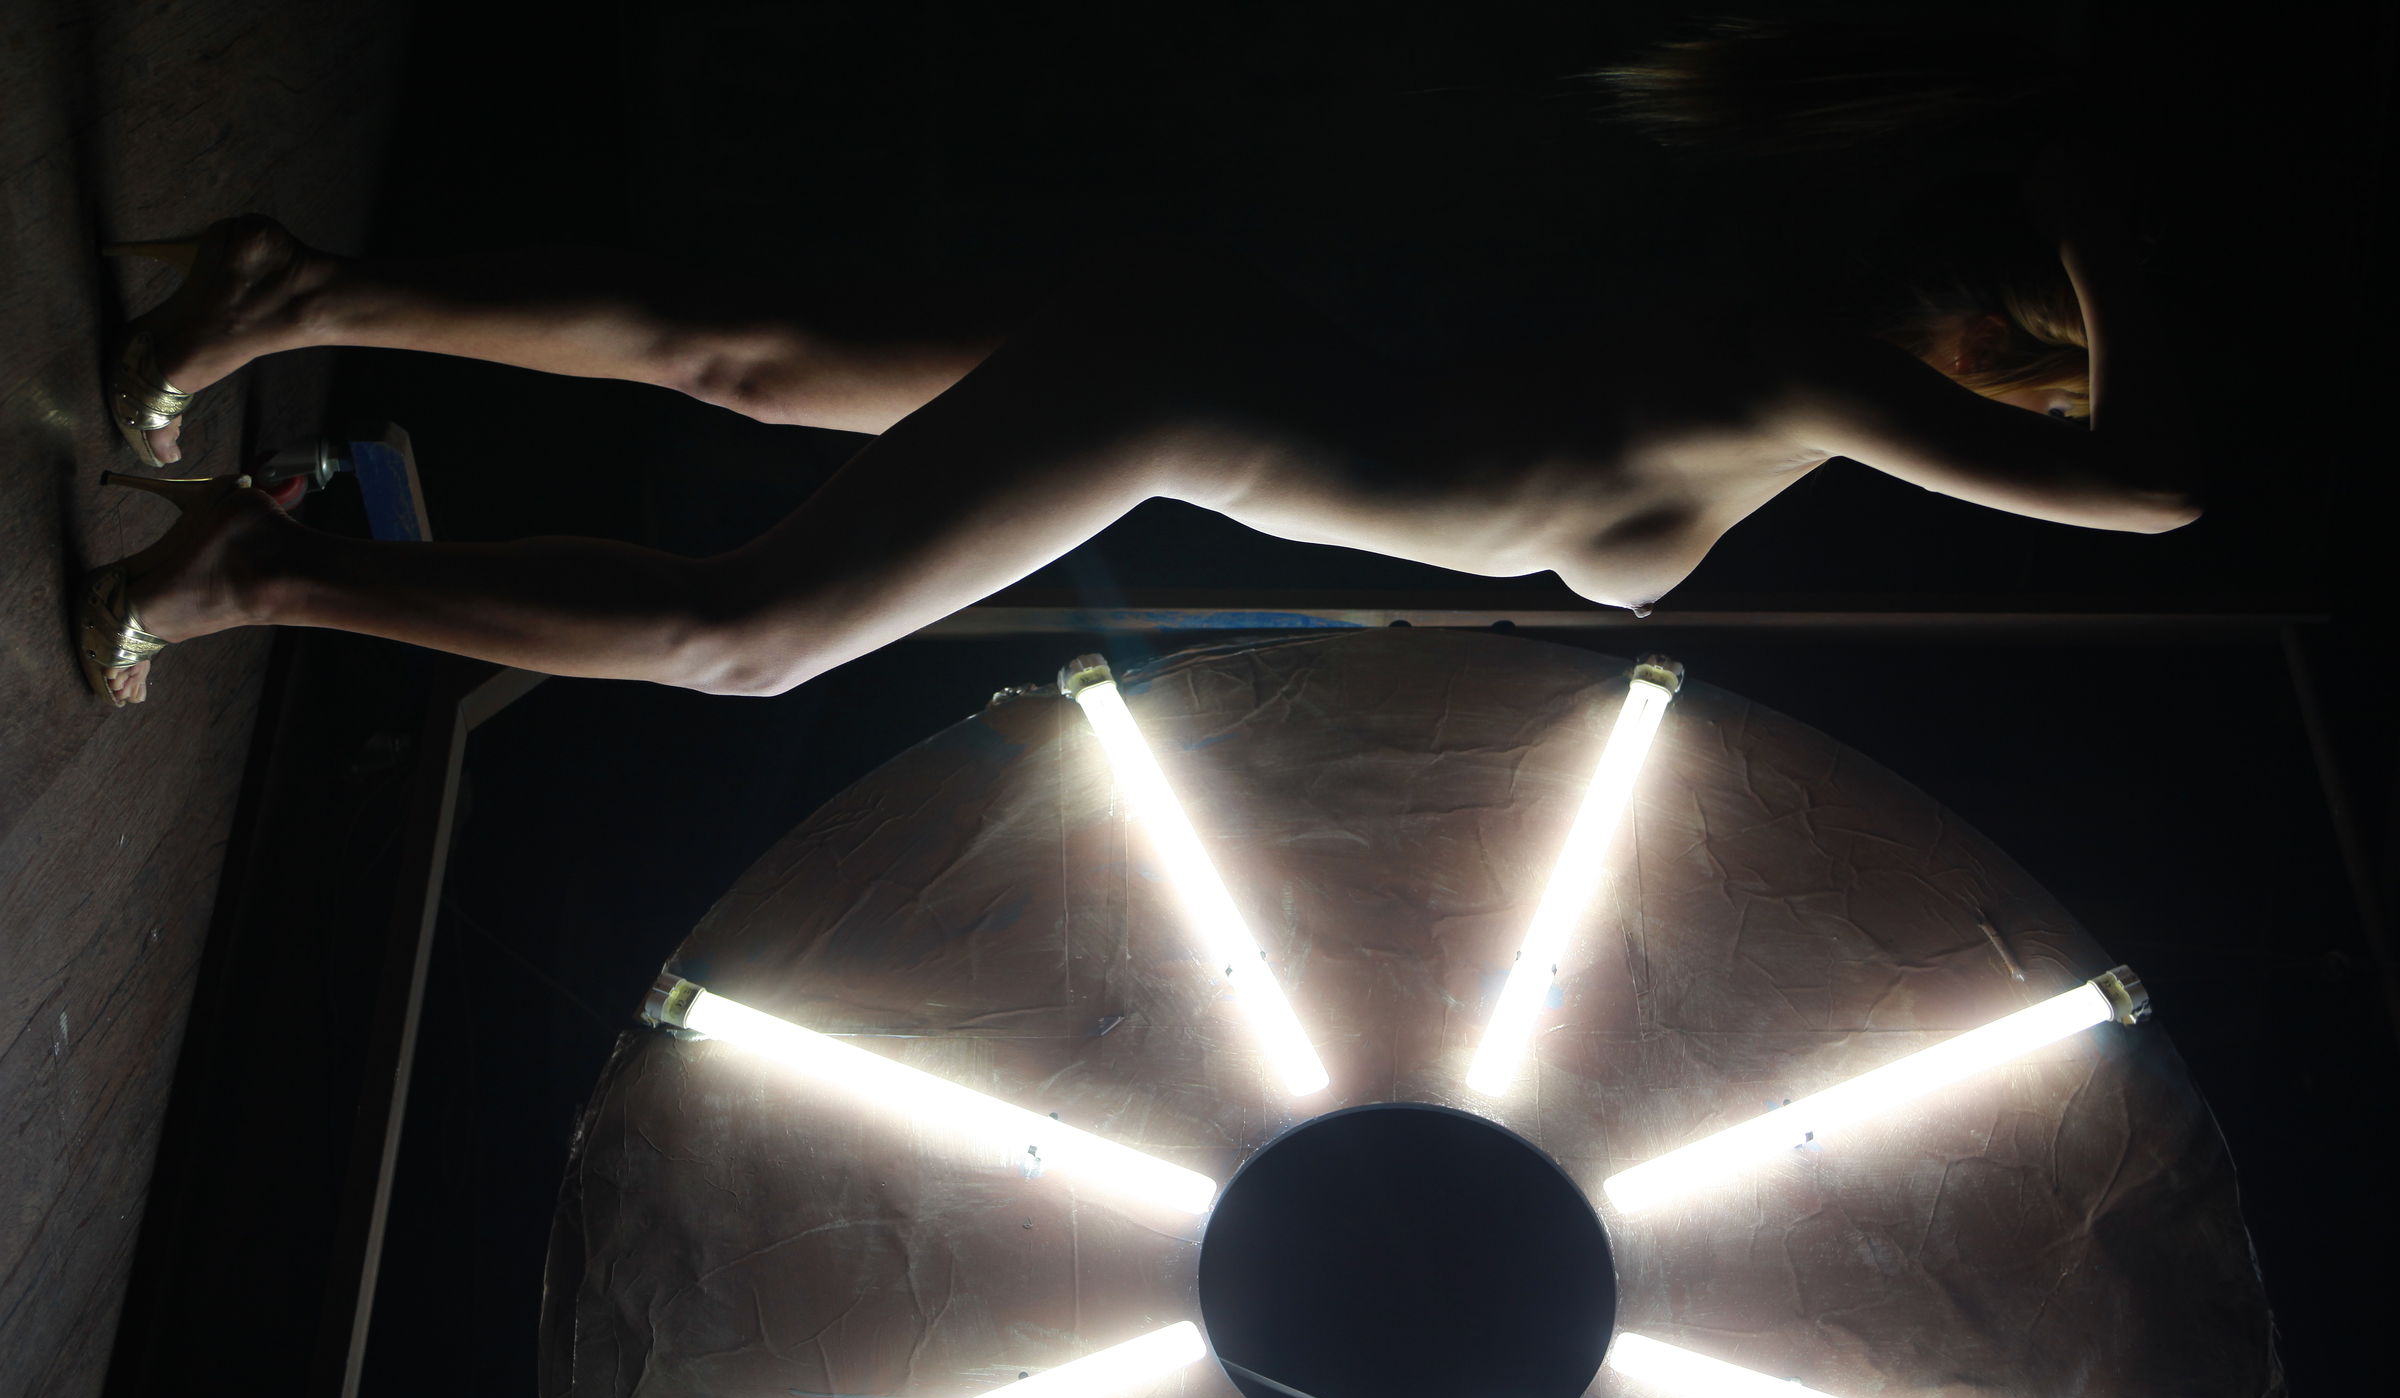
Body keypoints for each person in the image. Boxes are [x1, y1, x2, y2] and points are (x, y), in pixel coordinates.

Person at [78, 18, 2196, 708]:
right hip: (1180, 393)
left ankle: (284, 294)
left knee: (749, 361)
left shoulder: (1783, 383)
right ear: (2012, 351)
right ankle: (248, 571)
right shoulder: (1811, 374)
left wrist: (2085, 200)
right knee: (752, 640)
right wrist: (2103, 197)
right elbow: (2165, 484)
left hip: (1203, 343)